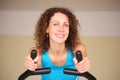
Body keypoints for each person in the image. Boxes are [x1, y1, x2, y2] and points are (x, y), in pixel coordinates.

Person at [25, 7, 90, 80]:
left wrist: (83, 64)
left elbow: (82, 56)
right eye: (56, 24)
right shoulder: (37, 51)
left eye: (66, 25)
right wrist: (31, 64)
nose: (61, 29)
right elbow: (35, 60)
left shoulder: (77, 48)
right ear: (46, 28)